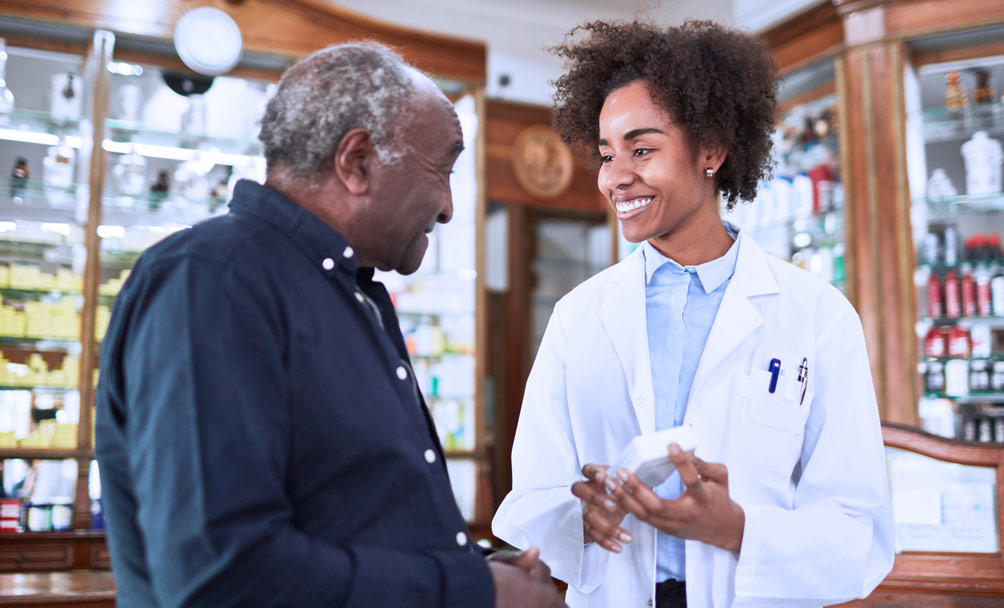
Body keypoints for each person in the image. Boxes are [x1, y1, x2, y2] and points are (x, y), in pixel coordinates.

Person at [95, 43, 564, 608]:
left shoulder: (354, 293)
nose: (447, 208)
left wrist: (475, 566)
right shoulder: (212, 280)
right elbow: (219, 576)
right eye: (442, 170)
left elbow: (354, 520)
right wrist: (469, 590)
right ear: (357, 161)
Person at [492, 20, 894, 608]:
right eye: (607, 154)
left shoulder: (817, 316)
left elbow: (861, 529)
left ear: (711, 149)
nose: (615, 177)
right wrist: (576, 517)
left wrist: (733, 528)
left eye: (642, 149)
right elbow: (530, 498)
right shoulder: (579, 316)